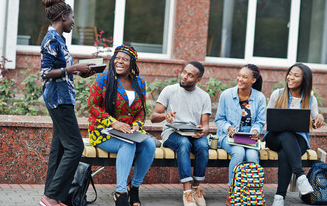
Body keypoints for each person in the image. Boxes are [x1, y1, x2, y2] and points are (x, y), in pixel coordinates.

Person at [39, 0, 96, 206]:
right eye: (72, 17)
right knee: (75, 147)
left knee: (60, 148)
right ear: (63, 17)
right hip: (58, 99)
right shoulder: (51, 39)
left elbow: (61, 71)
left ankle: (54, 197)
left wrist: (80, 72)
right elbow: (46, 72)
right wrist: (73, 68)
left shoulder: (59, 40)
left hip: (63, 98)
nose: (74, 21)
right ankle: (51, 197)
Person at [87, 45, 156, 206]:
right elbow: (92, 106)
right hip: (103, 131)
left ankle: (134, 188)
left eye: (125, 59)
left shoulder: (139, 83)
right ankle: (120, 192)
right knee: (128, 144)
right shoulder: (103, 78)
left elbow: (141, 111)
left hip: (129, 131)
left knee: (150, 145)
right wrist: (113, 122)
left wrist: (137, 125)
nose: (119, 61)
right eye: (117, 58)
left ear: (132, 63)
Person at [150, 61, 211, 206]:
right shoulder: (169, 90)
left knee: (203, 145)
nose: (184, 76)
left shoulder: (204, 96)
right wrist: (165, 116)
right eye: (184, 72)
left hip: (193, 133)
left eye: (190, 75)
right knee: (183, 144)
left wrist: (202, 130)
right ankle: (187, 191)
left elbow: (206, 125)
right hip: (172, 132)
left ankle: (196, 187)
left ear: (198, 80)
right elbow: (153, 117)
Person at [265, 63, 324, 206]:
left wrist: (319, 117)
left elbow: (316, 118)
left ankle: (279, 197)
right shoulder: (277, 94)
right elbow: (267, 119)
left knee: (286, 151)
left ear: (305, 80)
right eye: (290, 74)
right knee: (286, 134)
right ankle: (300, 176)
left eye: (296, 76)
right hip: (275, 138)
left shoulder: (310, 99)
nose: (290, 78)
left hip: (299, 141)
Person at [214, 64, 266, 206]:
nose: (240, 79)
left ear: (253, 80)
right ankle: (233, 192)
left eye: (245, 77)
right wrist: (228, 128)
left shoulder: (260, 97)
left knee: (252, 156)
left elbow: (260, 122)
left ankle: (252, 193)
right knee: (238, 153)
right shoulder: (227, 95)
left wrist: (255, 131)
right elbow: (219, 120)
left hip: (249, 136)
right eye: (239, 75)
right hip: (229, 135)